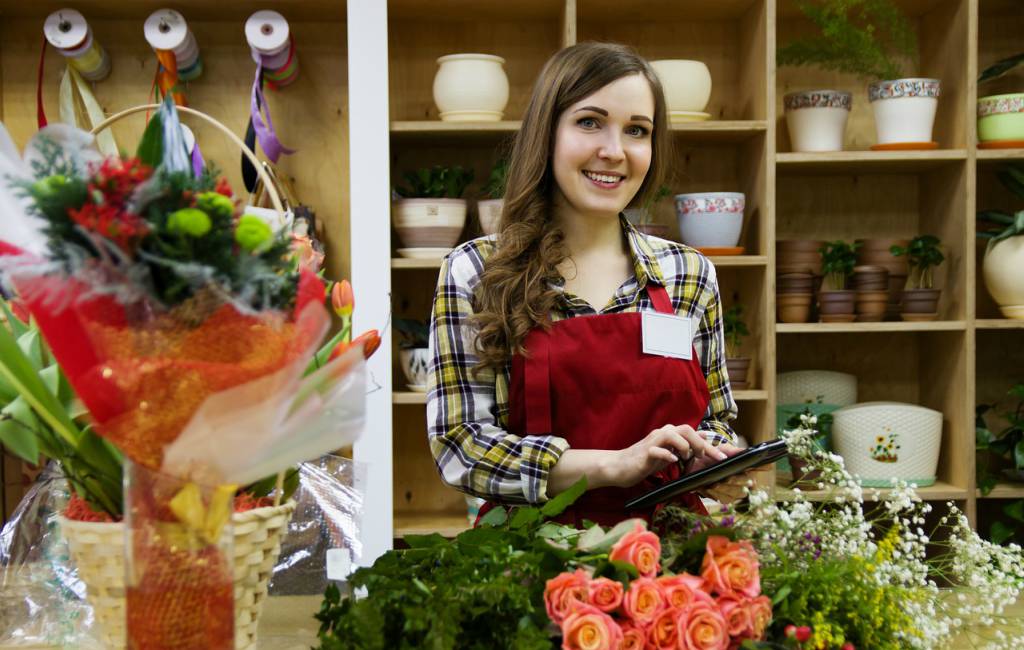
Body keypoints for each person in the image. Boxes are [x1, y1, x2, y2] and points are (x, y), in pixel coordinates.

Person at [427, 42, 748, 527]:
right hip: (529, 559)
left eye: (637, 130)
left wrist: (709, 456)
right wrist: (609, 465)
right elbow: (462, 444)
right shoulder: (477, 270)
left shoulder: (689, 274)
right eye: (590, 122)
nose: (614, 152)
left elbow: (715, 419)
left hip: (671, 560)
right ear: (547, 133)